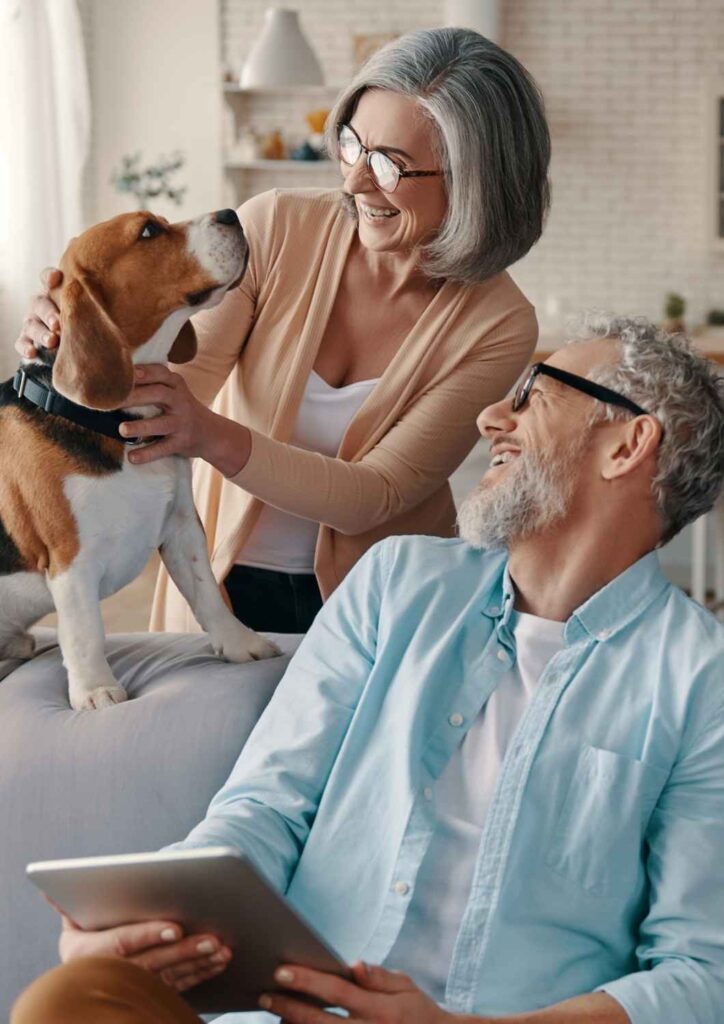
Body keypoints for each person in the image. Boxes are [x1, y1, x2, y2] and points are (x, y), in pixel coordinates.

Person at [13, 313, 724, 1024]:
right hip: (283, 1009)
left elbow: (702, 973)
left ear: (629, 444)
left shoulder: (700, 678)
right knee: (73, 998)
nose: (489, 418)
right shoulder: (397, 582)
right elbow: (267, 805)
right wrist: (155, 918)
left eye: (532, 394)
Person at [14, 27, 550, 636]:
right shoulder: (274, 226)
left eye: (389, 165)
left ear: (475, 180)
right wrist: (77, 333)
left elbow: (374, 495)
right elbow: (166, 387)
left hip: (383, 608)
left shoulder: (500, 324)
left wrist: (211, 435)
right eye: (352, 145)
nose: (353, 182)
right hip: (220, 582)